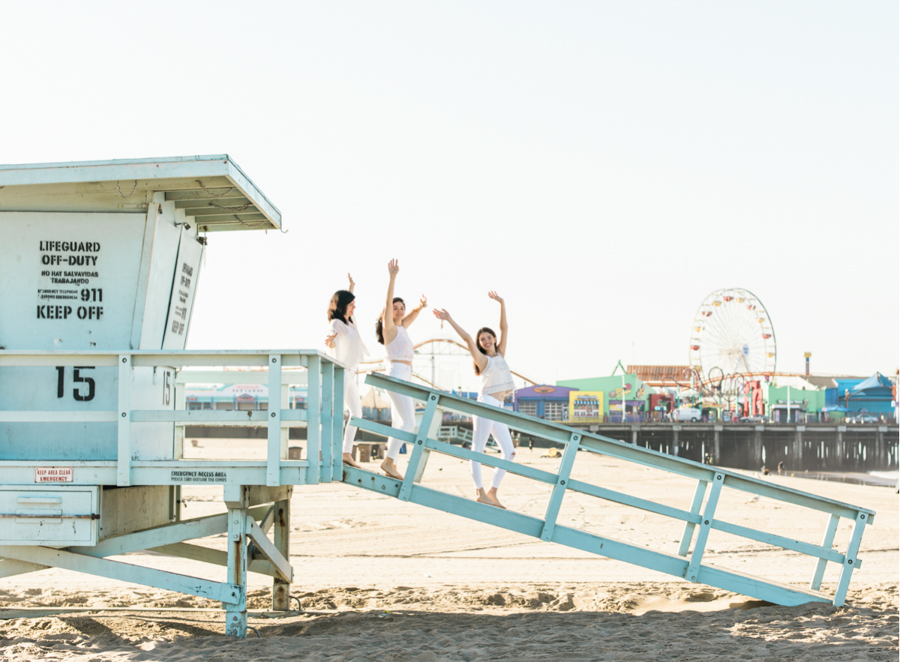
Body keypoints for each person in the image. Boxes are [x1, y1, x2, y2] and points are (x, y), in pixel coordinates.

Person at [433, 292, 515, 509]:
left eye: (489, 337)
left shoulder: (500, 355)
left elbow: (505, 328)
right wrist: (449, 319)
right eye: (483, 339)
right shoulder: (482, 359)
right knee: (478, 449)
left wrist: (502, 304)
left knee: (510, 452)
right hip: (486, 403)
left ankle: (492, 491)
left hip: (499, 406)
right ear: (480, 344)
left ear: (494, 339)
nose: (487, 340)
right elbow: (468, 338)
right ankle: (479, 491)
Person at [375, 259, 427, 480]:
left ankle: (392, 462)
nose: (398, 310)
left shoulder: (403, 327)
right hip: (396, 374)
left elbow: (412, 315)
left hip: (406, 376)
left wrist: (420, 306)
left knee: (400, 422)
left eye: (401, 308)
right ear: (387, 313)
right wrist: (392, 277)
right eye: (395, 308)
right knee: (410, 422)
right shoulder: (389, 328)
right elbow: (388, 303)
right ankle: (388, 461)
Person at [325, 274, 369, 469]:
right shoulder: (336, 324)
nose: (354, 307)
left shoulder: (350, 322)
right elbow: (331, 339)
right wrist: (331, 342)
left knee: (356, 413)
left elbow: (348, 305)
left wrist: (351, 287)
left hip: (350, 372)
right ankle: (322, 451)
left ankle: (345, 452)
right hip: (341, 371)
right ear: (342, 305)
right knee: (334, 411)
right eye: (351, 304)